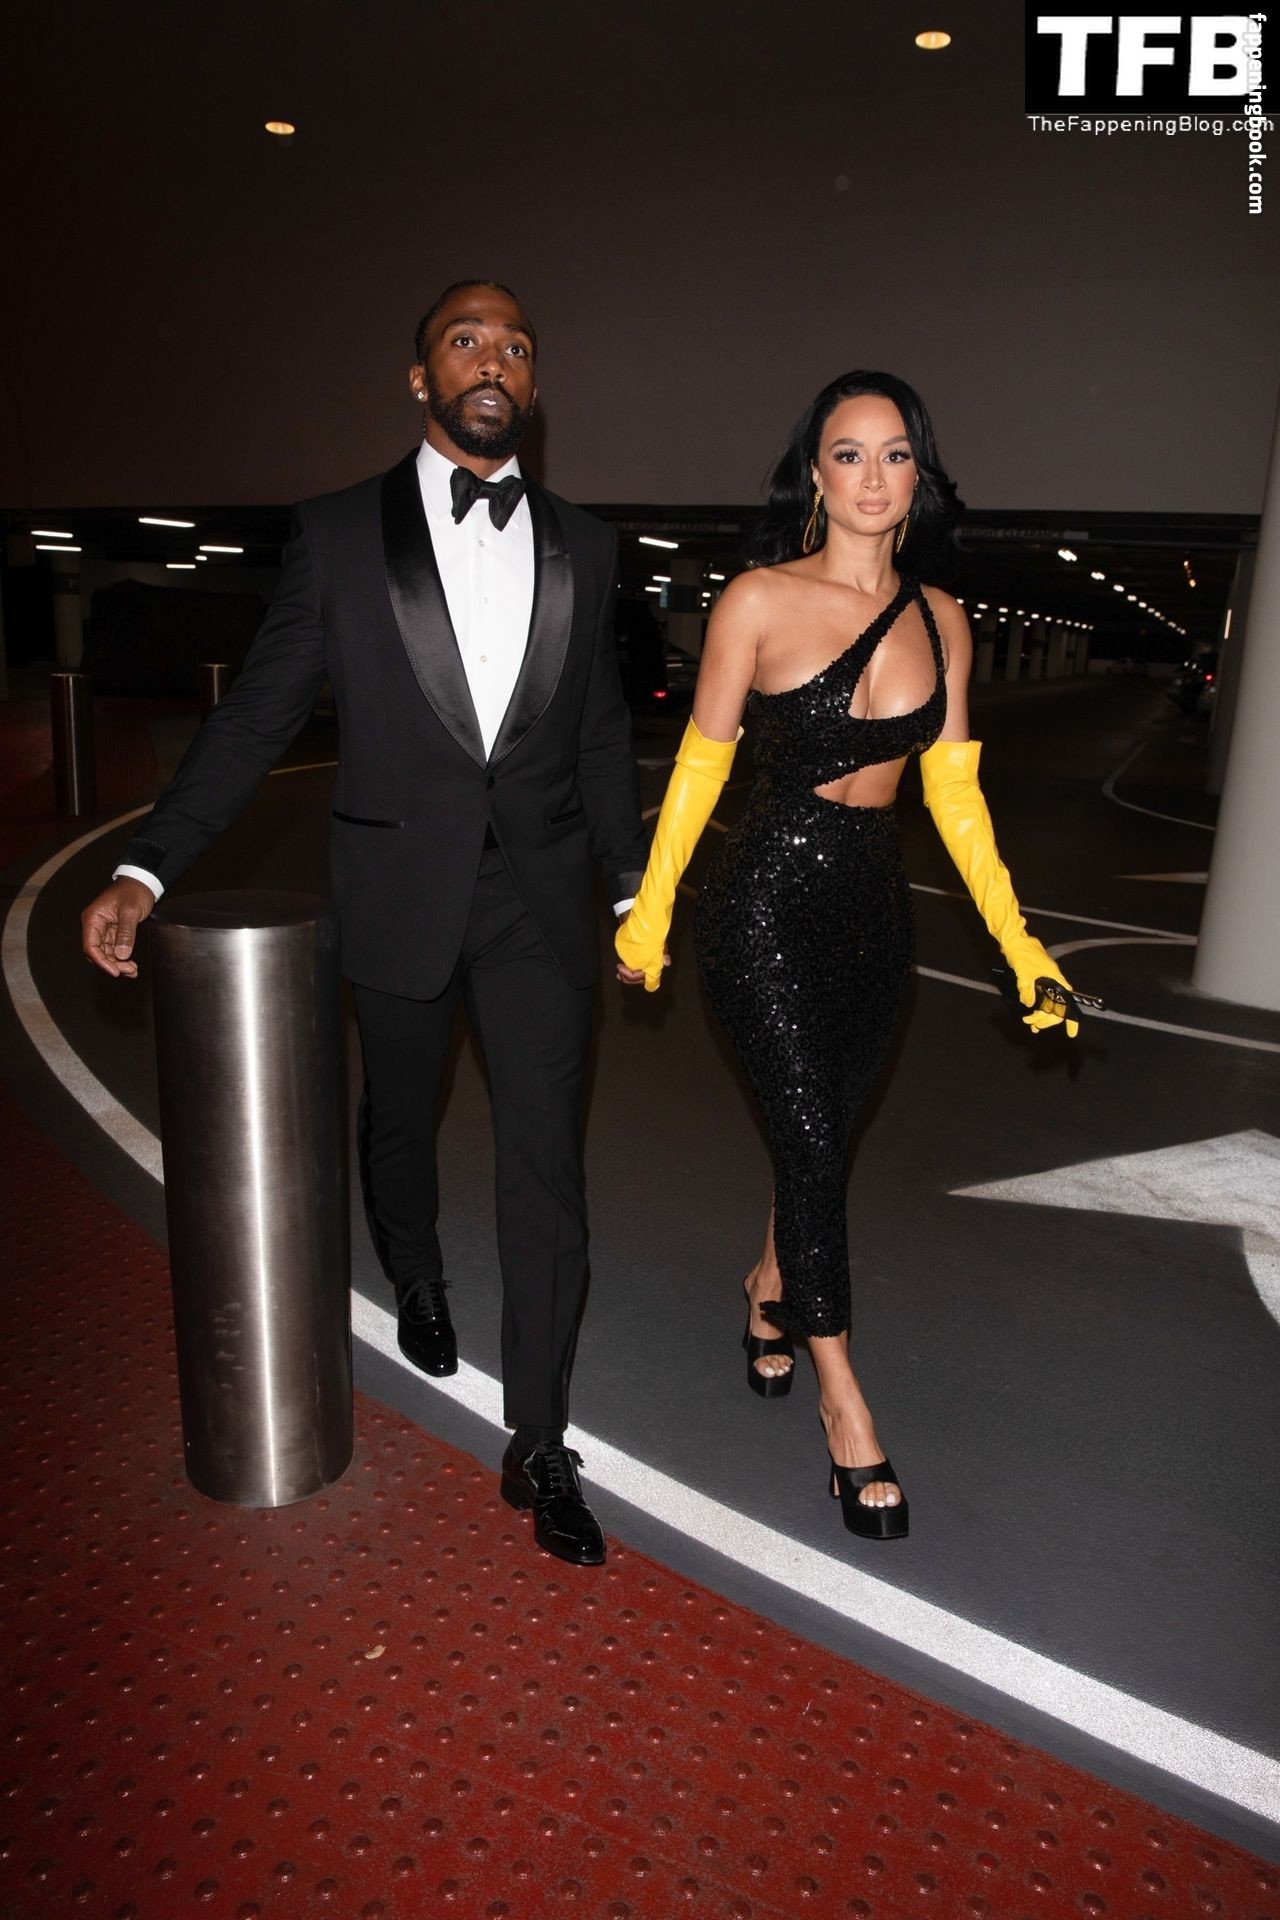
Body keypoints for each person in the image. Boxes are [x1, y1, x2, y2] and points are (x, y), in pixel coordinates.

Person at [82, 280, 648, 1567]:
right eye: (465, 340)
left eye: (515, 346)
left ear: (534, 383)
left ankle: (540, 1441)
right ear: (420, 377)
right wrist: (148, 865)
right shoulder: (337, 534)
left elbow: (600, 731)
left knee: (545, 1168)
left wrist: (631, 888)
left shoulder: (587, 542)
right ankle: (417, 1275)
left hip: (540, 904)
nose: (492, 360)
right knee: (398, 1118)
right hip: (397, 891)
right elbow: (257, 716)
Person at [615, 371, 1099, 1541]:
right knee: (810, 1140)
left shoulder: (945, 621)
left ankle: (765, 1285)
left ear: (918, 476)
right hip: (761, 908)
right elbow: (698, 771)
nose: (871, 477)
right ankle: (845, 1406)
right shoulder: (758, 601)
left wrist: (1021, 949)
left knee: (819, 1138)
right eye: (847, 453)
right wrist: (651, 912)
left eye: (893, 455)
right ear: (813, 475)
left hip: (873, 914)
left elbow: (956, 804)